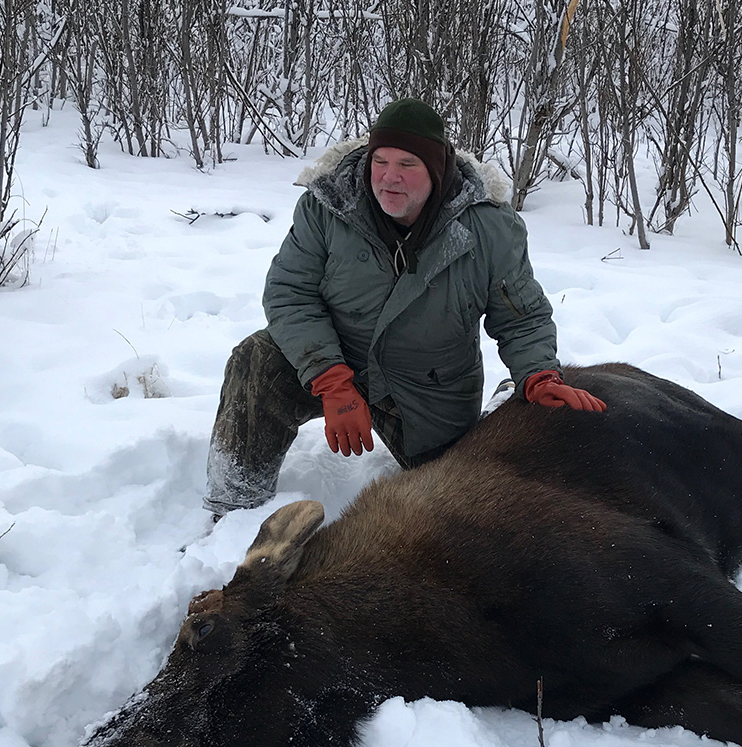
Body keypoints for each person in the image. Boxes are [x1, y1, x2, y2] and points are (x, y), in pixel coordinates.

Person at [204, 97, 605, 516]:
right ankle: (232, 507)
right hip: (339, 358)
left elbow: (522, 318)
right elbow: (289, 292)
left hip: (430, 387)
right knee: (257, 360)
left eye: (408, 165)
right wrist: (332, 381)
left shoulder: (489, 227)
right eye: (380, 161)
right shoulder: (328, 207)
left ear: (436, 169)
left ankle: (498, 408)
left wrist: (539, 375)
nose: (389, 178)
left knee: (458, 501)